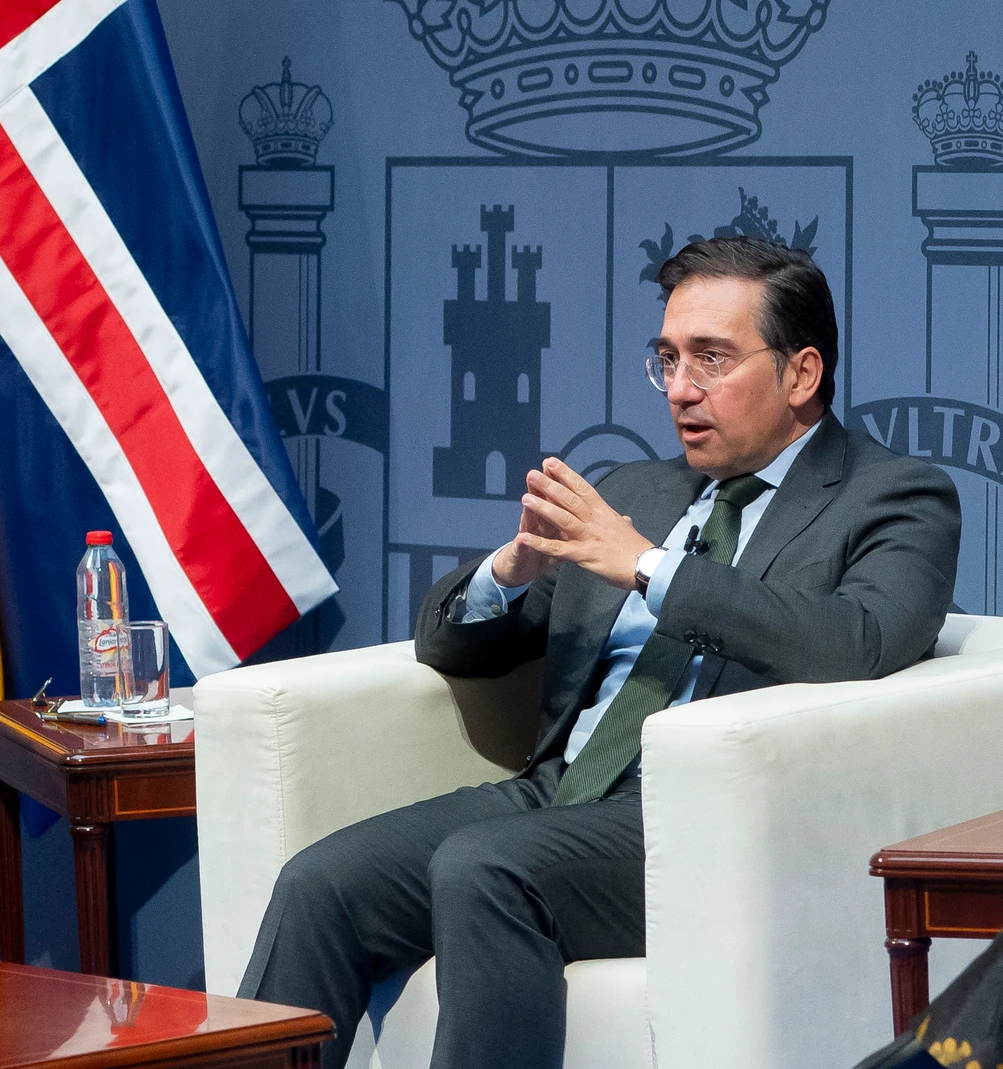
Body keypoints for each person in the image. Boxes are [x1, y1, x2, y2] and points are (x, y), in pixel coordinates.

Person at [238, 235, 961, 1069]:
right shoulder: (634, 489)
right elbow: (450, 642)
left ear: (801, 373)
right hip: (560, 792)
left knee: (485, 867)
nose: (681, 391)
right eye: (669, 359)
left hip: (703, 824)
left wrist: (652, 568)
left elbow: (864, 639)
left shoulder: (895, 494)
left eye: (712, 360)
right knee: (319, 881)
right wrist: (513, 569)